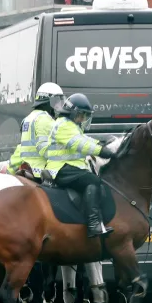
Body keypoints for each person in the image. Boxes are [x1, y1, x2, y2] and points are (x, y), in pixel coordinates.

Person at [44, 93, 114, 237]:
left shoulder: (71, 126)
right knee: (93, 180)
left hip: (67, 167)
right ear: (72, 112)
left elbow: (85, 139)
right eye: (81, 115)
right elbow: (79, 143)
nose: (83, 118)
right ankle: (93, 223)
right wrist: (101, 151)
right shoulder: (64, 125)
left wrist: (101, 144)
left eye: (85, 115)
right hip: (60, 168)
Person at [9, 83, 65, 180]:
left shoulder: (28, 119)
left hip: (28, 170)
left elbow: (21, 149)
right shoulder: (46, 120)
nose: (58, 105)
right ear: (48, 102)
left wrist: (10, 170)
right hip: (42, 174)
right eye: (56, 101)